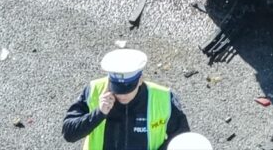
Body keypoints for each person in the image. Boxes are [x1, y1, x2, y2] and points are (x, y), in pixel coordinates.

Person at [62, 49, 190, 149]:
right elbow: (69, 134)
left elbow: (182, 138)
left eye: (127, 90)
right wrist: (98, 113)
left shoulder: (164, 97)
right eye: (117, 89)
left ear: (140, 80)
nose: (122, 95)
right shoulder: (94, 90)